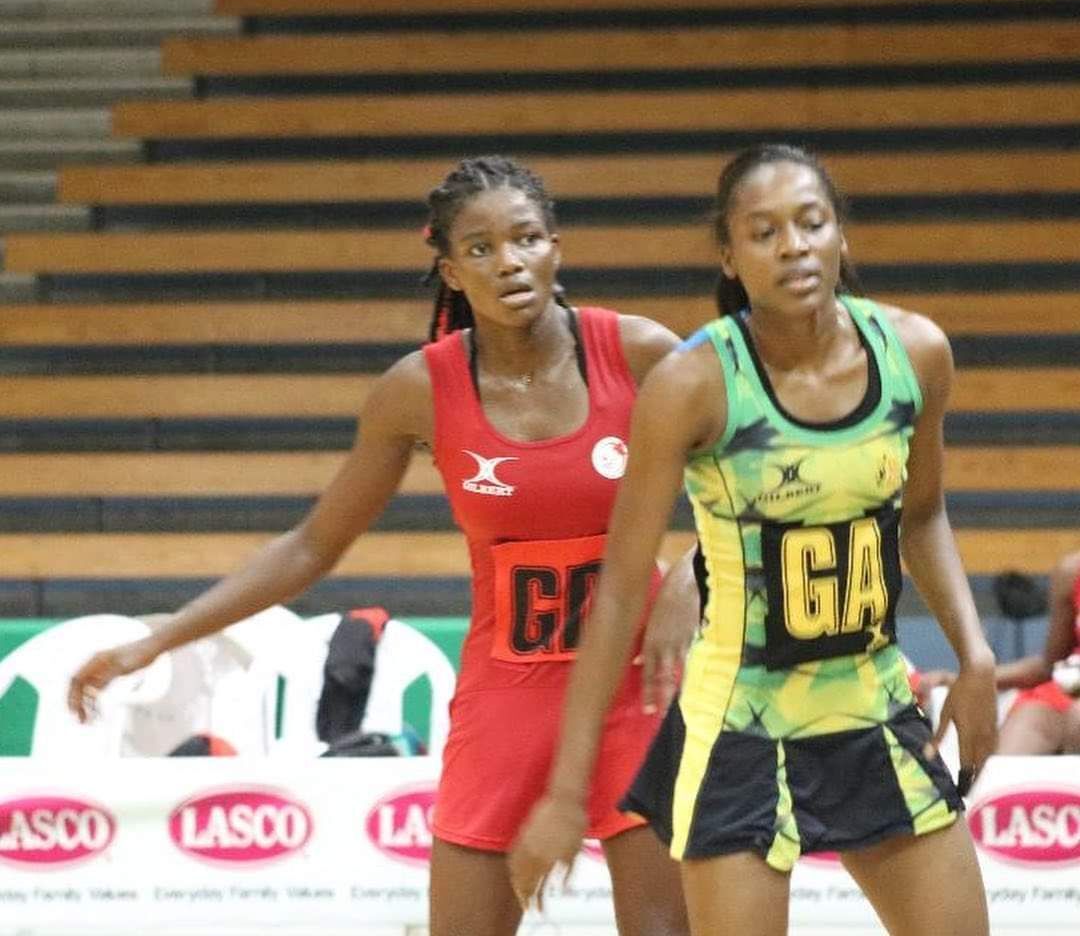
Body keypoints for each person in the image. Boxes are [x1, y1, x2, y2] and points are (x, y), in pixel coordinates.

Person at [67, 155, 691, 936]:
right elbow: (310, 547)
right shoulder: (418, 389)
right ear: (451, 273)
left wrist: (694, 571)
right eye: (481, 249)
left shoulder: (641, 353)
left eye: (526, 238)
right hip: (508, 691)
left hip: (641, 687)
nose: (509, 262)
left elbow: (754, 478)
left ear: (556, 247)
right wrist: (157, 640)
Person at [509, 143, 998, 935]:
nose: (794, 246)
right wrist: (567, 796)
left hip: (873, 709)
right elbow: (621, 588)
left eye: (811, 223)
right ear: (729, 256)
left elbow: (923, 515)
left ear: (840, 234)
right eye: (764, 232)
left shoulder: (916, 354)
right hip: (739, 728)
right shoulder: (692, 385)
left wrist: (974, 655)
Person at [994, 549, 1080, 754]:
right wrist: (969, 677)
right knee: (1024, 724)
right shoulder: (1071, 572)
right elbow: (1049, 666)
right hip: (1066, 689)